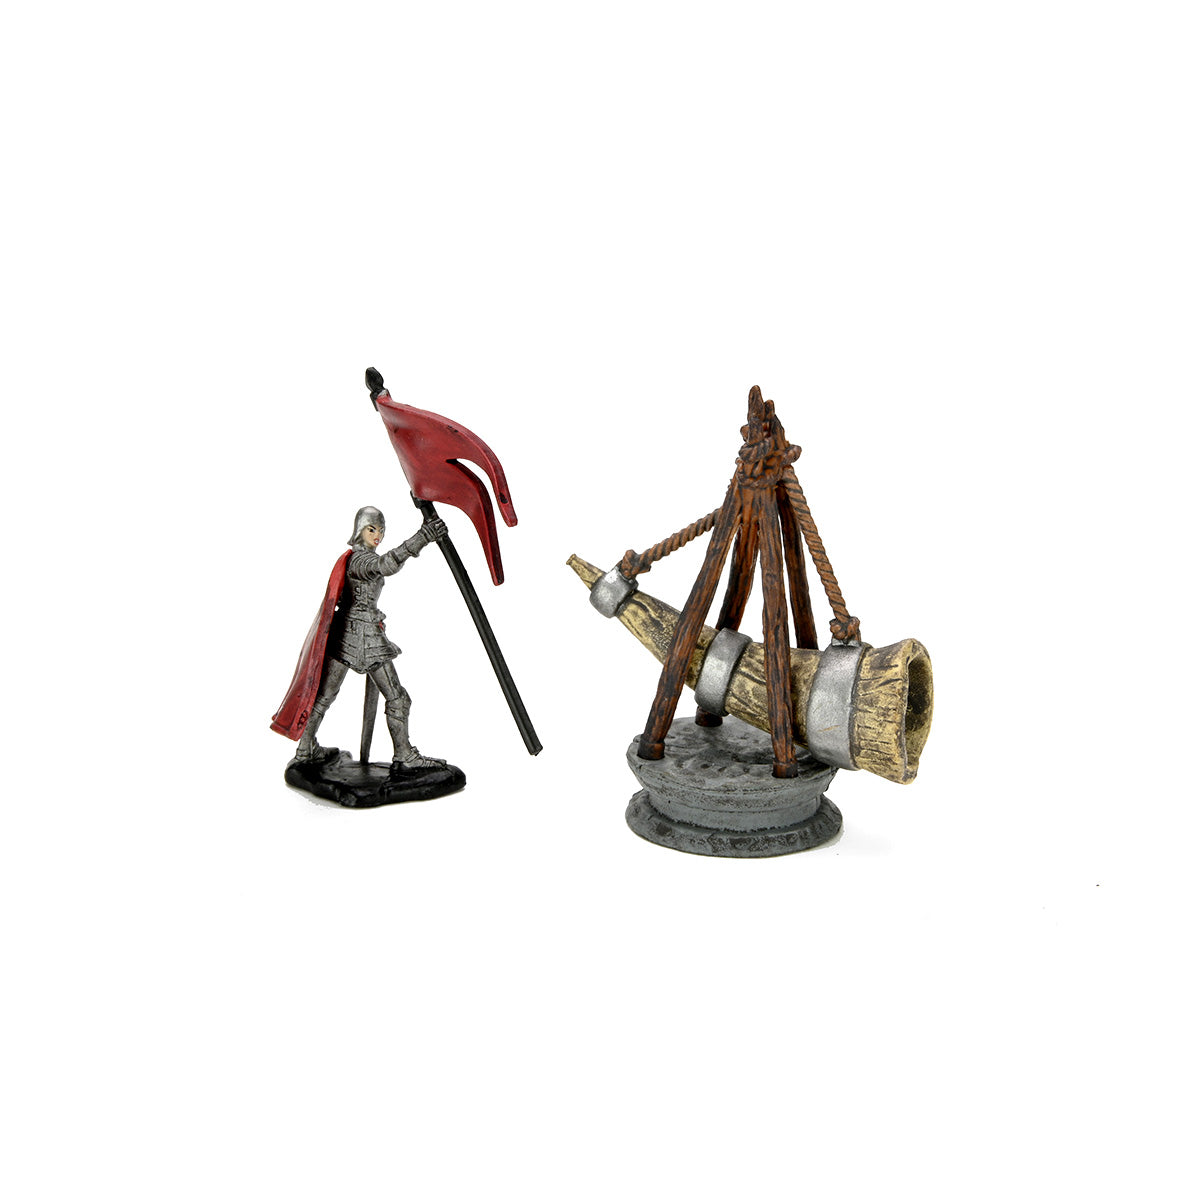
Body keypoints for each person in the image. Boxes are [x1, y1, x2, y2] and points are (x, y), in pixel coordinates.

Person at [280, 505, 447, 769]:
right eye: (371, 529)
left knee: (324, 697)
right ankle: (404, 756)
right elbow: (385, 565)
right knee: (397, 698)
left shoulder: (358, 558)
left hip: (347, 633)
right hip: (364, 637)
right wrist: (423, 536)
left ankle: (305, 749)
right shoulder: (360, 560)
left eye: (381, 530)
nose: (377, 535)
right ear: (360, 530)